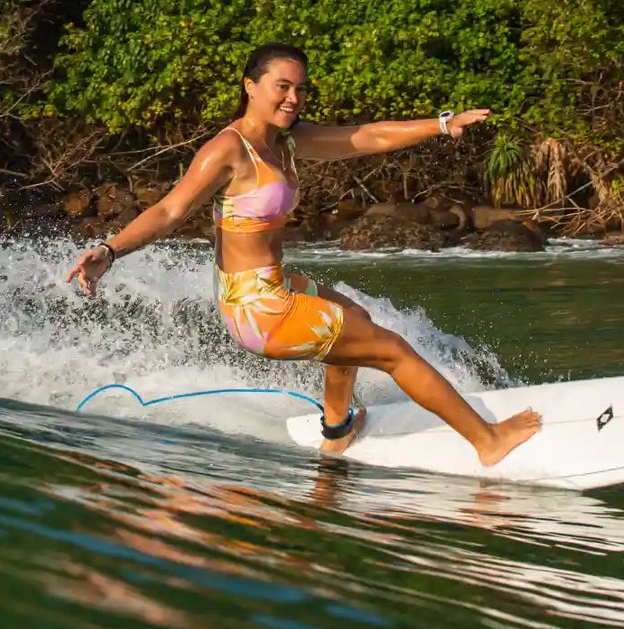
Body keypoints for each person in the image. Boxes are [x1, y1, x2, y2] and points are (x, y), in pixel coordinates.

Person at [65, 43, 542, 463]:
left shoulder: (288, 141)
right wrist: (110, 250)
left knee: (354, 317)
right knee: (394, 351)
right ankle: (487, 441)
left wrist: (441, 124)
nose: (293, 98)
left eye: (301, 89)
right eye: (282, 86)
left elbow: (367, 137)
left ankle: (336, 431)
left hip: (271, 286)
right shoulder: (228, 150)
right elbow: (170, 210)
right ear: (250, 86)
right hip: (258, 307)